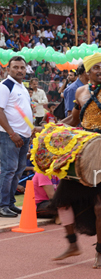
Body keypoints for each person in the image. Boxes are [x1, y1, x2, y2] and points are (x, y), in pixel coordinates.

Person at [52, 53, 101, 268]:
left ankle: (100, 252)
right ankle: (72, 244)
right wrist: (54, 128)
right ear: (87, 72)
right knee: (62, 199)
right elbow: (75, 119)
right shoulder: (79, 92)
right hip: (84, 149)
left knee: (99, 205)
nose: (100, 71)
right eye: (95, 68)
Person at [0, 56, 33, 218]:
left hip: (24, 136)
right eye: (16, 67)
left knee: (18, 170)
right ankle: (2, 204)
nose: (19, 70)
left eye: (22, 67)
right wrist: (12, 133)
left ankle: (10, 203)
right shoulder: (5, 86)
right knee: (9, 170)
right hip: (9, 136)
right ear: (8, 69)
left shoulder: (22, 87)